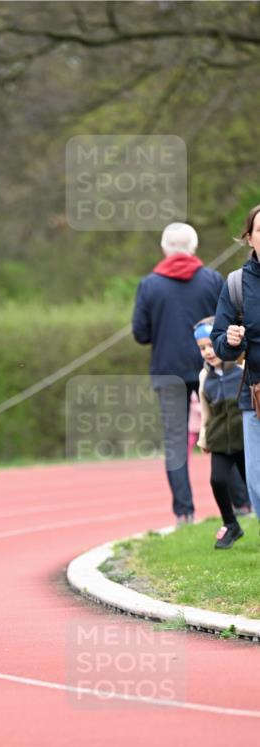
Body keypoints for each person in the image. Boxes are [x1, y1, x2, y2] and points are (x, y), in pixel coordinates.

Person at [132, 222, 224, 524]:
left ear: (164, 249)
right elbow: (225, 325)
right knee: (225, 432)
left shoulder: (149, 285)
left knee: (175, 442)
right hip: (212, 368)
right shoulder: (212, 280)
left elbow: (141, 334)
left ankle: (184, 513)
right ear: (194, 248)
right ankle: (242, 505)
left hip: (167, 371)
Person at [211, 204, 260, 525]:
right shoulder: (236, 285)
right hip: (256, 397)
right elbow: (219, 344)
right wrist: (231, 340)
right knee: (257, 484)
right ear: (250, 238)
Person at [193, 319, 248, 548]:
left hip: (246, 442)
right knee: (217, 480)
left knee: (253, 485)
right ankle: (231, 524)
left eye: (211, 345)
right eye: (202, 348)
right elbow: (205, 413)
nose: (207, 352)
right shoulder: (205, 377)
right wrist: (204, 439)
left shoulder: (243, 370)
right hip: (220, 442)